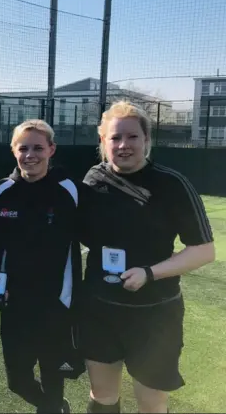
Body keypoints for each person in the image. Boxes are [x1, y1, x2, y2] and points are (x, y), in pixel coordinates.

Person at [79, 101, 215, 414]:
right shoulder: (93, 180)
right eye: (115, 138)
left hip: (155, 314)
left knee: (151, 402)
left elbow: (204, 251)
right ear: (103, 142)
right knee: (102, 394)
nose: (123, 145)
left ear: (146, 140)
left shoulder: (172, 184)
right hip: (99, 308)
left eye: (132, 137)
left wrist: (149, 273)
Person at [0, 119, 85, 414]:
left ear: (51, 149)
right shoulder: (0, 190)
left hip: (57, 304)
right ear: (13, 151)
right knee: (17, 380)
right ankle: (56, 408)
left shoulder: (71, 190)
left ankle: (53, 406)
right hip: (13, 304)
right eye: (23, 148)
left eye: (38, 148)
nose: (31, 155)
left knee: (55, 376)